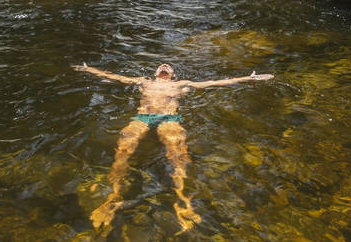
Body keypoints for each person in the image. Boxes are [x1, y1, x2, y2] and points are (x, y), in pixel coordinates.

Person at [73, 61, 273, 232]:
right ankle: (111, 199)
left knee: (178, 158)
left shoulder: (182, 84)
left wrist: (247, 78)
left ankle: (184, 202)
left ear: (173, 74)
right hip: (142, 118)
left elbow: (214, 83)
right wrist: (89, 69)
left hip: (170, 119)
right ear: (155, 73)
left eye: (168, 67)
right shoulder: (143, 81)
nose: (164, 65)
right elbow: (116, 77)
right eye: (161, 66)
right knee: (122, 154)